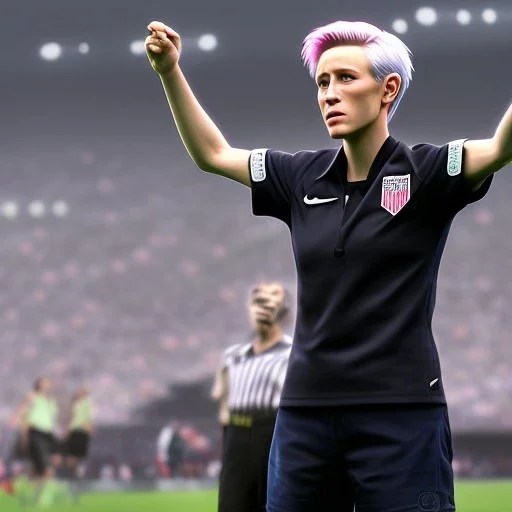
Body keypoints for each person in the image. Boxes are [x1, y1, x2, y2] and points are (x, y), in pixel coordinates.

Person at [145, 19, 511, 512]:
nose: (329, 93)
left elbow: (500, 147)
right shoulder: (298, 175)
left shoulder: (427, 171)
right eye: (322, 82)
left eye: (345, 78)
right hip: (305, 417)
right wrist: (170, 71)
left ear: (388, 90)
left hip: (400, 415)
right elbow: (213, 154)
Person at [209, 282, 292, 511]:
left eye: (272, 299)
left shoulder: (292, 353)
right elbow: (223, 404)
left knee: (270, 502)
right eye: (258, 300)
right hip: (236, 435)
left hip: (270, 431)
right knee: (232, 502)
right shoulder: (232, 356)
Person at [15, 377, 61, 505]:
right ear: (39, 385)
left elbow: (52, 420)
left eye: (49, 384)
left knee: (39, 469)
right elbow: (22, 412)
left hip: (48, 434)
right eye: (45, 384)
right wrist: (23, 430)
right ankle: (45, 497)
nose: (48, 386)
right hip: (36, 433)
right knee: (46, 466)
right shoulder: (33, 396)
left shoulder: (51, 401)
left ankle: (30, 489)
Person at [62, 386, 93, 497]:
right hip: (74, 431)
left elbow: (88, 418)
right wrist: (66, 431)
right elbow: (69, 418)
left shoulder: (87, 403)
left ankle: (75, 479)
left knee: (78, 457)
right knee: (72, 458)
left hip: (81, 432)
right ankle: (71, 480)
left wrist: (89, 428)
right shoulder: (74, 404)